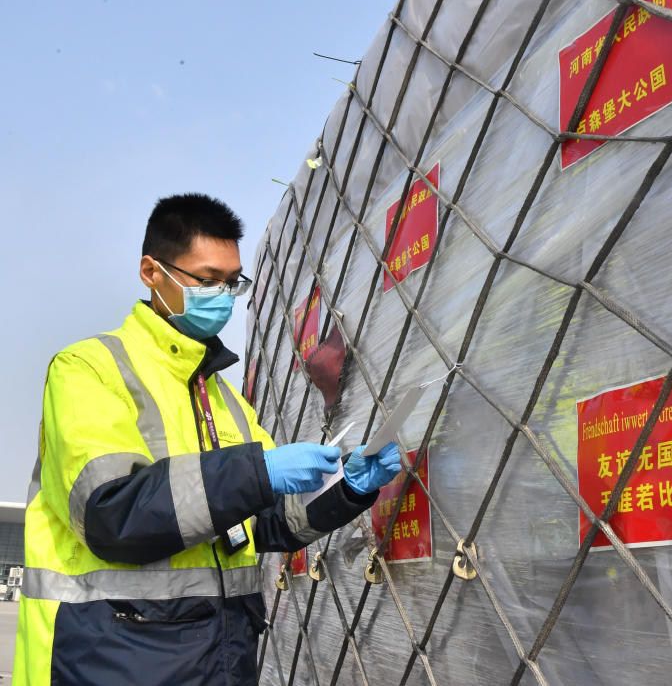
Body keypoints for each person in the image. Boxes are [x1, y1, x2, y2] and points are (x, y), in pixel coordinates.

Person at [13, 194, 401, 685]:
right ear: (152, 273)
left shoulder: (224, 400)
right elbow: (112, 514)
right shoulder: (89, 370)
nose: (222, 295)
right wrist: (258, 472)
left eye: (231, 282)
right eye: (207, 280)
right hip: (112, 661)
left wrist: (348, 487)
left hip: (219, 660)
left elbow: (264, 527)